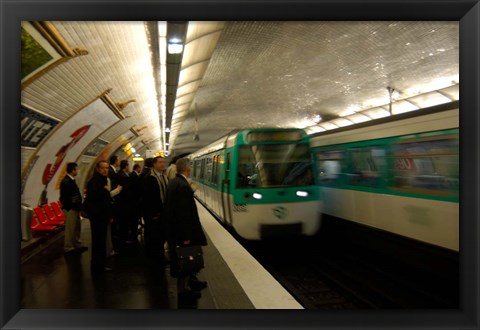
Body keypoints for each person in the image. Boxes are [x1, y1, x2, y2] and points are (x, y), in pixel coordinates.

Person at [165, 157, 208, 298]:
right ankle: (183, 291)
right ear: (188, 169)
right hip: (182, 233)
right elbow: (184, 215)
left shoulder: (174, 182)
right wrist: (187, 237)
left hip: (174, 230)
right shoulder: (183, 186)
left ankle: (190, 283)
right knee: (185, 259)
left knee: (183, 259)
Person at [84, 160, 115, 274]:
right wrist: (105, 191)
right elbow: (96, 198)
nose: (105, 170)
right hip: (98, 217)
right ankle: (98, 266)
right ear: (97, 169)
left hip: (102, 216)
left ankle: (100, 265)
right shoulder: (95, 181)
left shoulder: (101, 180)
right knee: (98, 242)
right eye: (102, 168)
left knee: (101, 241)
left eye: (106, 168)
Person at [141, 156, 168, 263]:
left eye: (163, 162)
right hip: (153, 213)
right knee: (153, 235)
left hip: (162, 212)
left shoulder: (163, 176)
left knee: (161, 235)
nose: (162, 164)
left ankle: (159, 255)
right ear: (154, 164)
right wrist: (153, 213)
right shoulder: (149, 178)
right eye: (160, 162)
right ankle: (153, 257)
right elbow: (147, 198)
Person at [59, 162, 88, 255]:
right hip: (70, 209)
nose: (78, 170)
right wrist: (72, 206)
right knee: (70, 229)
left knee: (76, 227)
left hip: (75, 208)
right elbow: (65, 197)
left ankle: (77, 244)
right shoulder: (66, 182)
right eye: (77, 169)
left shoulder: (70, 180)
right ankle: (68, 247)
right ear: (73, 170)